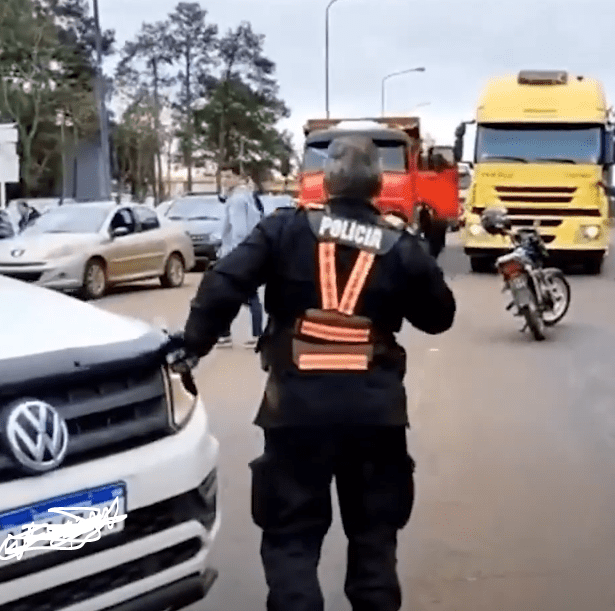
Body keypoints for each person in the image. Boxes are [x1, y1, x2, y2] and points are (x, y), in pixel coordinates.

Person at [169, 135, 456, 611]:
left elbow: (225, 281)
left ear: (326, 182)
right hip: (375, 415)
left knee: (292, 541)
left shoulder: (285, 229)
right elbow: (439, 317)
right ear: (377, 185)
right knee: (374, 542)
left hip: (295, 411)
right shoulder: (399, 244)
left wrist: (194, 345)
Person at [215, 163, 265, 348]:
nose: (225, 180)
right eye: (223, 177)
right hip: (248, 251)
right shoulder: (245, 195)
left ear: (238, 177)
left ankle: (227, 334)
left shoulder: (237, 200)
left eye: (229, 176)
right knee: (245, 295)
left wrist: (235, 257)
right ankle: (251, 334)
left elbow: (239, 231)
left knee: (229, 295)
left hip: (237, 253)